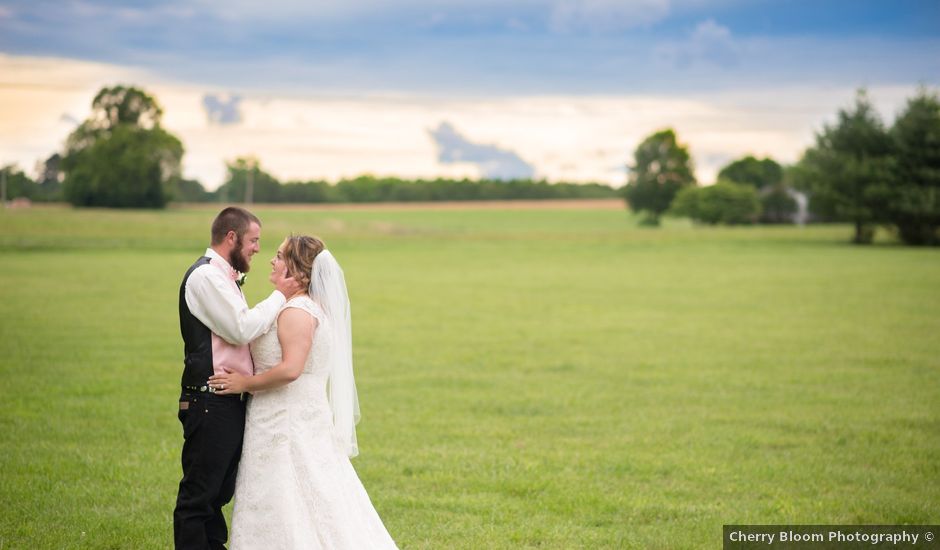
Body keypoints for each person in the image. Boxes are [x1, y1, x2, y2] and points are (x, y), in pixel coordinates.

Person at [208, 235, 397, 549]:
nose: (272, 260)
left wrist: (244, 384)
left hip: (285, 419)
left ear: (298, 272)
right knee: (308, 492)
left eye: (280, 256)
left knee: (288, 493)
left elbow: (291, 369)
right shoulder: (307, 307)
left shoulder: (296, 311)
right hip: (294, 415)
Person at [175, 207, 302, 550]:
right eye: (254, 240)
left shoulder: (224, 277)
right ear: (231, 237)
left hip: (227, 400)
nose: (258, 249)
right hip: (209, 400)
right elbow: (240, 328)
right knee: (198, 497)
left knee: (217, 496)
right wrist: (280, 295)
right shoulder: (205, 278)